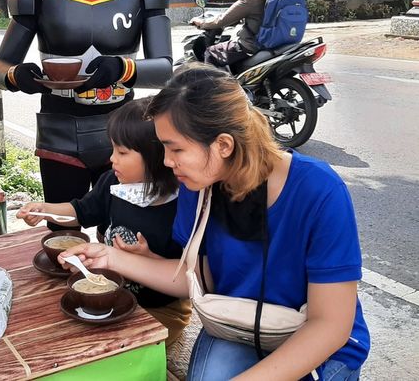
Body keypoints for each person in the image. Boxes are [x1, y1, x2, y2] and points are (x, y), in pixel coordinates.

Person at [60, 64, 370, 380]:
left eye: (175, 148)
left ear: (223, 144)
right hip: (239, 324)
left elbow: (330, 325)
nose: (166, 162)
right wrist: (111, 257)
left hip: (316, 341)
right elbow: (193, 279)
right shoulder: (199, 187)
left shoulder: (319, 191)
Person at [0, 0, 173, 231]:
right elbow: (0, 68)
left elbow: (164, 70)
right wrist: (18, 77)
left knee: (124, 231)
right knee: (62, 235)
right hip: (60, 130)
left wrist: (121, 67)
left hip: (122, 134)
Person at [16, 98, 191, 344]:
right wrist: (45, 209)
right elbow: (80, 211)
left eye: (122, 152)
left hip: (162, 310)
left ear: (156, 156)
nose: (111, 159)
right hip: (114, 294)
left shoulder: (182, 204)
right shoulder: (113, 183)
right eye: (112, 149)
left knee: (122, 349)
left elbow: (189, 275)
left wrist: (149, 259)